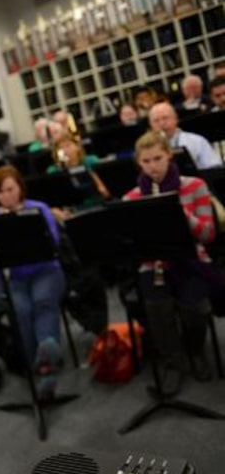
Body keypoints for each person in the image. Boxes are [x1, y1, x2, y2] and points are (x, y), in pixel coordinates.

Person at [123, 131, 216, 389]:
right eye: (146, 161)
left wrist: (182, 213)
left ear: (169, 156)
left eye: (158, 158)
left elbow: (207, 234)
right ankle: (174, 361)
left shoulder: (195, 186)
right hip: (154, 264)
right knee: (156, 308)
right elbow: (130, 244)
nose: (153, 166)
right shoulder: (131, 199)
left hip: (191, 259)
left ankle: (195, 351)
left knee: (195, 307)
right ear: (139, 164)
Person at [0, 166, 66, 398]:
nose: (6, 196)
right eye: (0, 192)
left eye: (10, 189)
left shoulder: (38, 209)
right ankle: (36, 364)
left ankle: (47, 363)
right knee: (20, 310)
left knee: (43, 301)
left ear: (20, 187)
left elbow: (53, 241)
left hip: (46, 271)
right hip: (13, 278)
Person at [46, 134, 109, 219]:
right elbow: (52, 201)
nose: (65, 150)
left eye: (68, 146)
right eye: (60, 148)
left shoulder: (92, 161)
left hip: (98, 205)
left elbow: (105, 192)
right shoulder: (53, 171)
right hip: (70, 211)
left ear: (77, 147)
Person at [148, 102, 222, 169]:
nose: (161, 124)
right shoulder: (147, 147)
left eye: (165, 118)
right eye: (156, 121)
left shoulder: (196, 141)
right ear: (150, 125)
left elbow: (215, 167)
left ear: (176, 118)